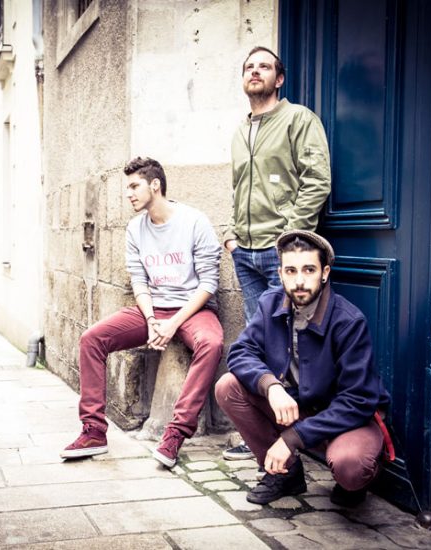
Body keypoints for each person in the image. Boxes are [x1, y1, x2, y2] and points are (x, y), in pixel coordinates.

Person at [60, 157, 224, 469]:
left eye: (134, 186)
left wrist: (172, 324)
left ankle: (176, 433)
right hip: (152, 308)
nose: (128, 193)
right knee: (92, 339)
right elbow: (139, 280)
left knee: (212, 343)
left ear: (155, 185)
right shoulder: (136, 228)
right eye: (128, 187)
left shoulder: (194, 221)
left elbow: (208, 284)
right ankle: (94, 432)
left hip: (193, 309)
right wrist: (151, 320)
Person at [215, 230, 391, 507]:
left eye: (309, 270)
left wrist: (292, 438)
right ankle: (286, 475)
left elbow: (358, 400)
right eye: (291, 271)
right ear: (281, 273)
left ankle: (358, 479)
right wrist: (271, 387)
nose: (299, 281)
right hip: (299, 407)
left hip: (345, 418)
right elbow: (241, 351)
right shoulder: (270, 303)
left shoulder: (348, 320)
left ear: (324, 272)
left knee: (351, 467)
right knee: (228, 386)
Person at [222, 46, 332, 461]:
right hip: (245, 253)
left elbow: (317, 180)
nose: (255, 72)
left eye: (264, 67)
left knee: (289, 345)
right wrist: (232, 235)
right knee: (259, 344)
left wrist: (287, 239)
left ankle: (296, 435)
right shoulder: (240, 131)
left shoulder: (298, 119)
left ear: (279, 78)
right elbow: (238, 189)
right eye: (249, 67)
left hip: (279, 255)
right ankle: (263, 430)